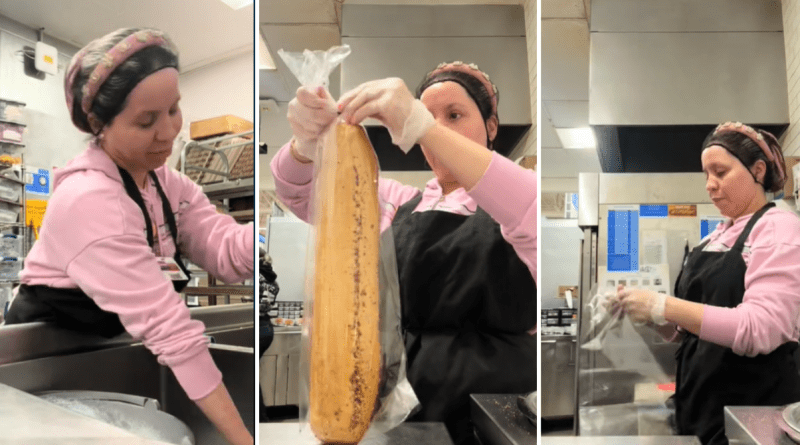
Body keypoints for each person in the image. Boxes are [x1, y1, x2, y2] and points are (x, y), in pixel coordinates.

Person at [4, 28, 254, 445]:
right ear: (100, 126)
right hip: (36, 380)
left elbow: (226, 253)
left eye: (174, 109)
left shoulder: (165, 185)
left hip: (106, 360)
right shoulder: (88, 201)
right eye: (145, 121)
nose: (169, 132)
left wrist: (292, 213)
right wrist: (243, 440)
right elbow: (171, 331)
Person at [271, 61, 536, 445]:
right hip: (402, 412)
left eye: (455, 115)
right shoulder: (399, 202)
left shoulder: (511, 202)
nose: (439, 128)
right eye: (428, 117)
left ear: (491, 127)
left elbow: (524, 198)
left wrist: (425, 127)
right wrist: (305, 147)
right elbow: (302, 193)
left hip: (492, 418)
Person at [616, 122, 800, 445]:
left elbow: (758, 328)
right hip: (701, 408)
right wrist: (650, 317)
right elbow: (689, 331)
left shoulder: (778, 229)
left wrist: (663, 304)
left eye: (720, 172)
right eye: (706, 175)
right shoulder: (713, 238)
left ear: (758, 171)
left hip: (750, 419)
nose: (710, 185)